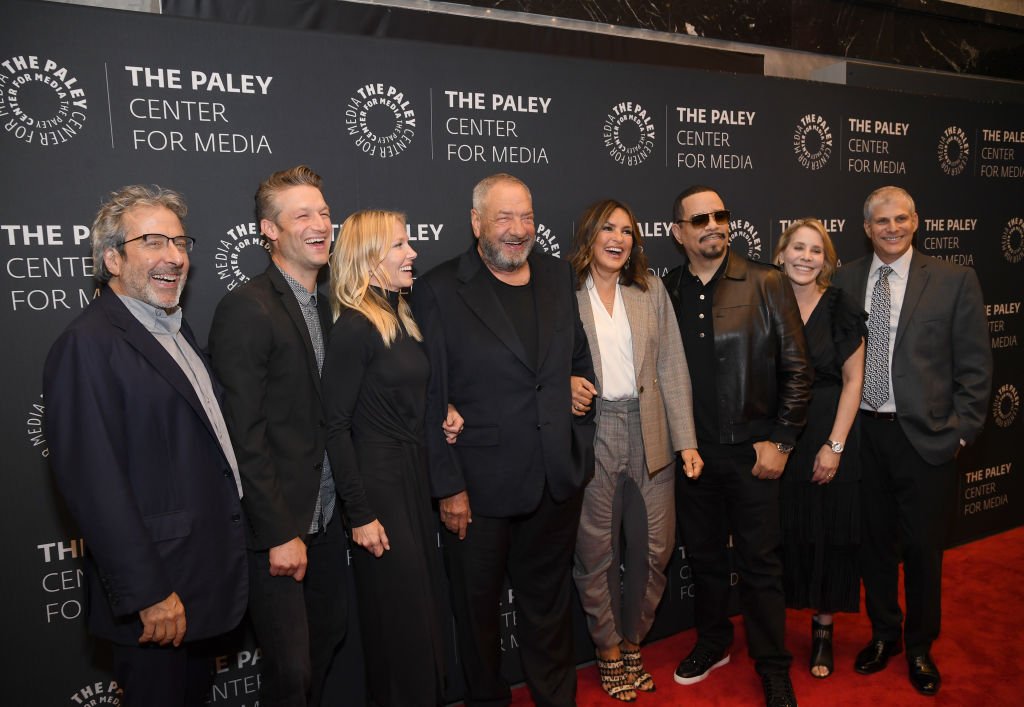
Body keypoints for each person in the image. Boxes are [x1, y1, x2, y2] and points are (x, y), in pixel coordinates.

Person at [44, 186, 247, 707]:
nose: (175, 257)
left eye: (180, 242)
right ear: (113, 258)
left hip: (200, 583)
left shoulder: (176, 332)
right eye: (153, 241)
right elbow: (93, 485)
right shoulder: (87, 345)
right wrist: (148, 594)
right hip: (157, 598)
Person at [411, 173, 595, 707]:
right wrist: (447, 487)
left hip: (553, 482)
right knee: (476, 617)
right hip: (477, 493)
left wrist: (575, 435)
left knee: (549, 610)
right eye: (503, 218)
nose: (518, 231)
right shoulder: (439, 290)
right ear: (476, 223)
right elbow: (432, 397)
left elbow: (577, 362)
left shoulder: (558, 277)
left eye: (527, 217)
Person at [834, 186, 992, 697]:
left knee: (924, 550)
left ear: (916, 220)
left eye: (901, 219)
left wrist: (962, 434)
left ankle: (921, 644)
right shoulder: (845, 280)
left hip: (925, 440)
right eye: (882, 221)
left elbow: (975, 367)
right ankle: (885, 635)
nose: (893, 228)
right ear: (867, 227)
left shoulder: (953, 280)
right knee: (874, 546)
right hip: (863, 436)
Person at [663, 185, 812, 707]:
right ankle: (714, 642)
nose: (713, 225)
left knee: (760, 565)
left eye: (720, 215)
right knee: (702, 558)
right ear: (678, 233)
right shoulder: (668, 289)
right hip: (693, 456)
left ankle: (772, 666)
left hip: (755, 454)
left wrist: (782, 441)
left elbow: (798, 370)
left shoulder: (767, 281)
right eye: (698, 218)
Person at [208, 165, 347, 707]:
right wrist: (278, 533)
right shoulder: (246, 308)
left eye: (324, 212)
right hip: (281, 529)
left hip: (328, 518)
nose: (320, 224)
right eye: (303, 215)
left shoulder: (329, 307)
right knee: (291, 675)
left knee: (329, 641)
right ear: (269, 230)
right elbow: (244, 434)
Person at [323, 210, 463, 706]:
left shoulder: (400, 317)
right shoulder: (356, 328)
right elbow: (335, 425)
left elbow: (401, 391)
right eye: (401, 246)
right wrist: (359, 513)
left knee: (424, 612)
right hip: (379, 485)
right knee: (401, 620)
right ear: (368, 259)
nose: (413, 254)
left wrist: (441, 411)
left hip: (411, 477)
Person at [566, 198, 703, 702]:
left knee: (655, 549)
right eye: (608, 227)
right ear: (589, 235)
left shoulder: (649, 291)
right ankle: (607, 648)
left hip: (651, 431)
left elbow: (672, 367)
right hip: (593, 430)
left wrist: (686, 440)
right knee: (596, 550)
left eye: (627, 230)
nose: (618, 238)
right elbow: (544, 361)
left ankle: (633, 640)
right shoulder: (564, 294)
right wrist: (565, 383)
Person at [773, 218, 866, 679]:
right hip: (780, 436)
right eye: (798, 248)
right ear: (781, 252)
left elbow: (854, 382)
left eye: (816, 251)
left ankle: (824, 632)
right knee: (786, 532)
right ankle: (775, 633)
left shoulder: (841, 307)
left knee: (829, 535)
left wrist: (835, 445)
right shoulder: (766, 301)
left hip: (830, 430)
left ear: (826, 261)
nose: (806, 257)